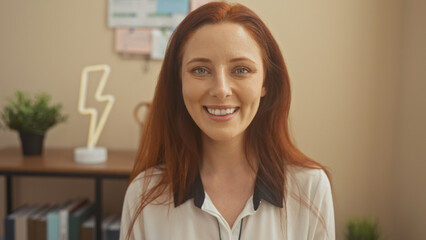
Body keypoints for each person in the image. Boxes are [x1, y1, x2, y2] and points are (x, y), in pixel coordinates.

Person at [120, 2, 335, 240]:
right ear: (178, 83)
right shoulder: (144, 195)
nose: (221, 90)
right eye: (200, 70)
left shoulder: (310, 188)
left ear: (266, 83)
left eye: (241, 70)